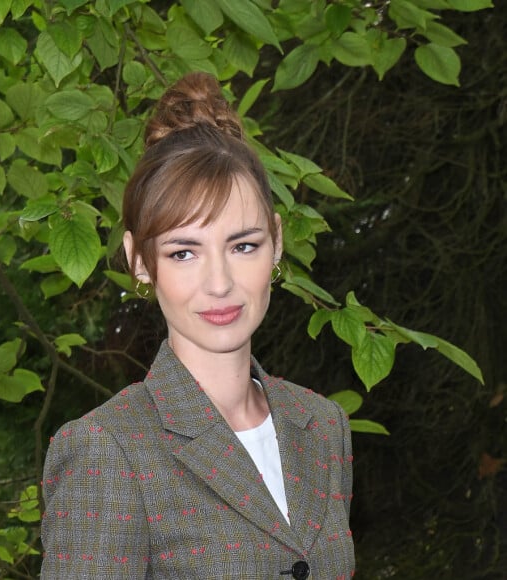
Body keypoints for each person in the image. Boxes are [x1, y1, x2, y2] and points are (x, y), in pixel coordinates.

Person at [41, 72, 355, 579]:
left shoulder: (322, 426)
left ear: (275, 243)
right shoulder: (106, 448)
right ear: (140, 261)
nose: (220, 283)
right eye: (184, 251)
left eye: (243, 246)